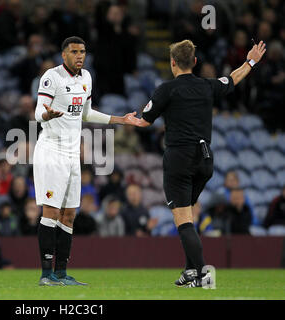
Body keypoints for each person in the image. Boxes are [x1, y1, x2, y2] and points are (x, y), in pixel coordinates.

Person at [129, 39, 267, 288]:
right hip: (205, 159)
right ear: (194, 62)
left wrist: (121, 120)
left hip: (179, 158)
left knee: (183, 220)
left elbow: (144, 121)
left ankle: (203, 273)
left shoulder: (166, 89)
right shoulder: (207, 86)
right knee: (188, 215)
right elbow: (233, 78)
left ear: (173, 63)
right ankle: (190, 270)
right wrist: (251, 61)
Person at [33, 36, 139, 286]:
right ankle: (46, 274)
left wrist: (119, 120)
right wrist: (46, 115)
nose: (79, 56)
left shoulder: (86, 78)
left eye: (82, 52)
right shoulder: (52, 77)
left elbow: (87, 113)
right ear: (64, 55)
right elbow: (39, 110)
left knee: (69, 214)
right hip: (51, 150)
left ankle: (60, 273)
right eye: (74, 52)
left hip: (72, 155)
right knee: (51, 211)